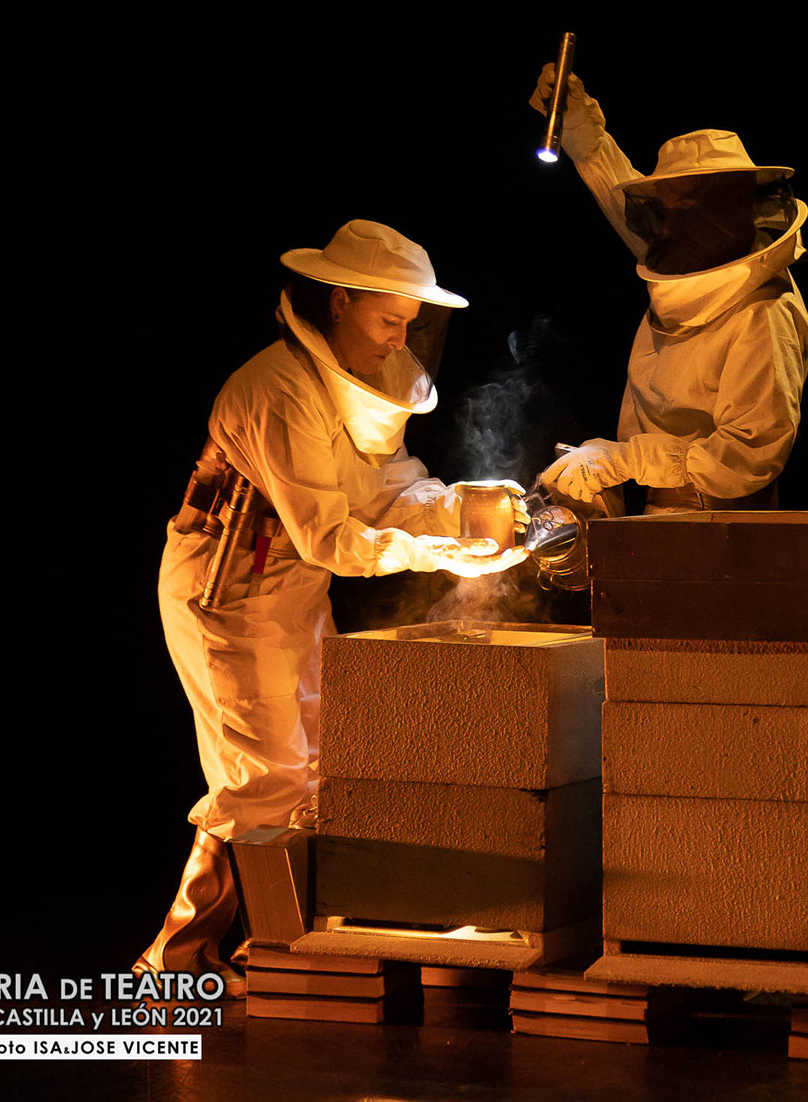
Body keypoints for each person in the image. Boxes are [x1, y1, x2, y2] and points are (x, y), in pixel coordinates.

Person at [137, 220, 526, 994]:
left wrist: (464, 511)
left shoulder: (359, 384)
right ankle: (177, 963)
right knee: (263, 778)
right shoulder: (278, 390)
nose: (399, 340)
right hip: (226, 590)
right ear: (340, 302)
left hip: (288, 585)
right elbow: (328, 536)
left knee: (315, 767)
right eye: (388, 321)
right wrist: (437, 550)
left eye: (410, 324)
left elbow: (390, 490)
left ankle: (274, 946)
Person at [530, 67, 808, 513]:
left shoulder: (763, 311)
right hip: (657, 511)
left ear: (730, 204)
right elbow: (614, 189)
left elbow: (748, 455)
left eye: (691, 206)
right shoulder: (681, 254)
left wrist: (627, 459)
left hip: (729, 527)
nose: (674, 223)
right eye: (669, 208)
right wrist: (576, 121)